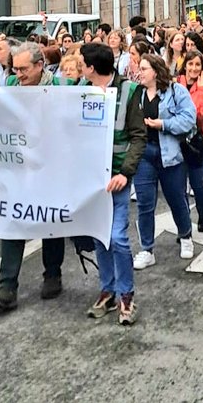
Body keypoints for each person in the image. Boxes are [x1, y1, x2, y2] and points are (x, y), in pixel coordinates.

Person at [0, 43, 72, 311]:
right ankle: (7, 285)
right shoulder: (9, 83)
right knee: (13, 222)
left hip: (50, 165)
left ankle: (53, 272)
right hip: (18, 165)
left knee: (50, 219)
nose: (18, 74)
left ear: (40, 65)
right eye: (15, 68)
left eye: (24, 69)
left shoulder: (61, 88)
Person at [80, 43, 146, 325]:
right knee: (98, 235)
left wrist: (126, 172)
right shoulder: (79, 89)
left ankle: (126, 293)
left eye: (82, 63)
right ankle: (107, 288)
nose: (79, 67)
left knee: (117, 237)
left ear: (92, 67)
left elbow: (138, 135)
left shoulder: (129, 91)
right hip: (92, 178)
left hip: (118, 176)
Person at [131, 54, 197, 270]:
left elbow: (188, 119)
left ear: (156, 71)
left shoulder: (176, 91)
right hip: (143, 153)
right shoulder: (136, 93)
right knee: (145, 202)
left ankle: (185, 235)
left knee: (176, 198)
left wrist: (163, 124)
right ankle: (147, 249)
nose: (139, 72)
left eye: (144, 68)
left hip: (170, 152)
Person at [177, 50, 203, 233]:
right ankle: (183, 226)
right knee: (179, 187)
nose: (193, 68)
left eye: (197, 65)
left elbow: (199, 115)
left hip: (196, 141)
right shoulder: (176, 83)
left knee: (198, 184)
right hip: (176, 141)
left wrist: (200, 89)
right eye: (190, 64)